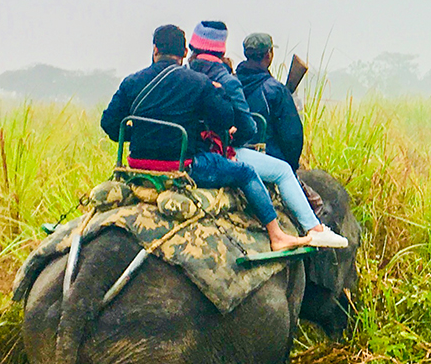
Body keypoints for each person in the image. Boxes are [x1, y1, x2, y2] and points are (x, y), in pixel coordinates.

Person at [100, 24, 318, 252]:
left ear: (155, 49)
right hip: (184, 167)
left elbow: (110, 125)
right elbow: (224, 121)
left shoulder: (131, 82)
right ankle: (277, 234)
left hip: (137, 166)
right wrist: (218, 93)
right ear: (184, 53)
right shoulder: (198, 82)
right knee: (246, 172)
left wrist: (143, 134)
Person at [189, 20, 347, 249]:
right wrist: (233, 143)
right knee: (283, 171)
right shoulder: (239, 84)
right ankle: (314, 229)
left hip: (190, 150)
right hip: (230, 152)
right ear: (269, 55)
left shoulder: (189, 76)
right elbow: (275, 134)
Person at [235, 32, 304, 170]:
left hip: (234, 154)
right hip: (270, 158)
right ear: (269, 55)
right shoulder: (276, 90)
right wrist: (292, 166)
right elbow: (292, 136)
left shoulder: (230, 81)